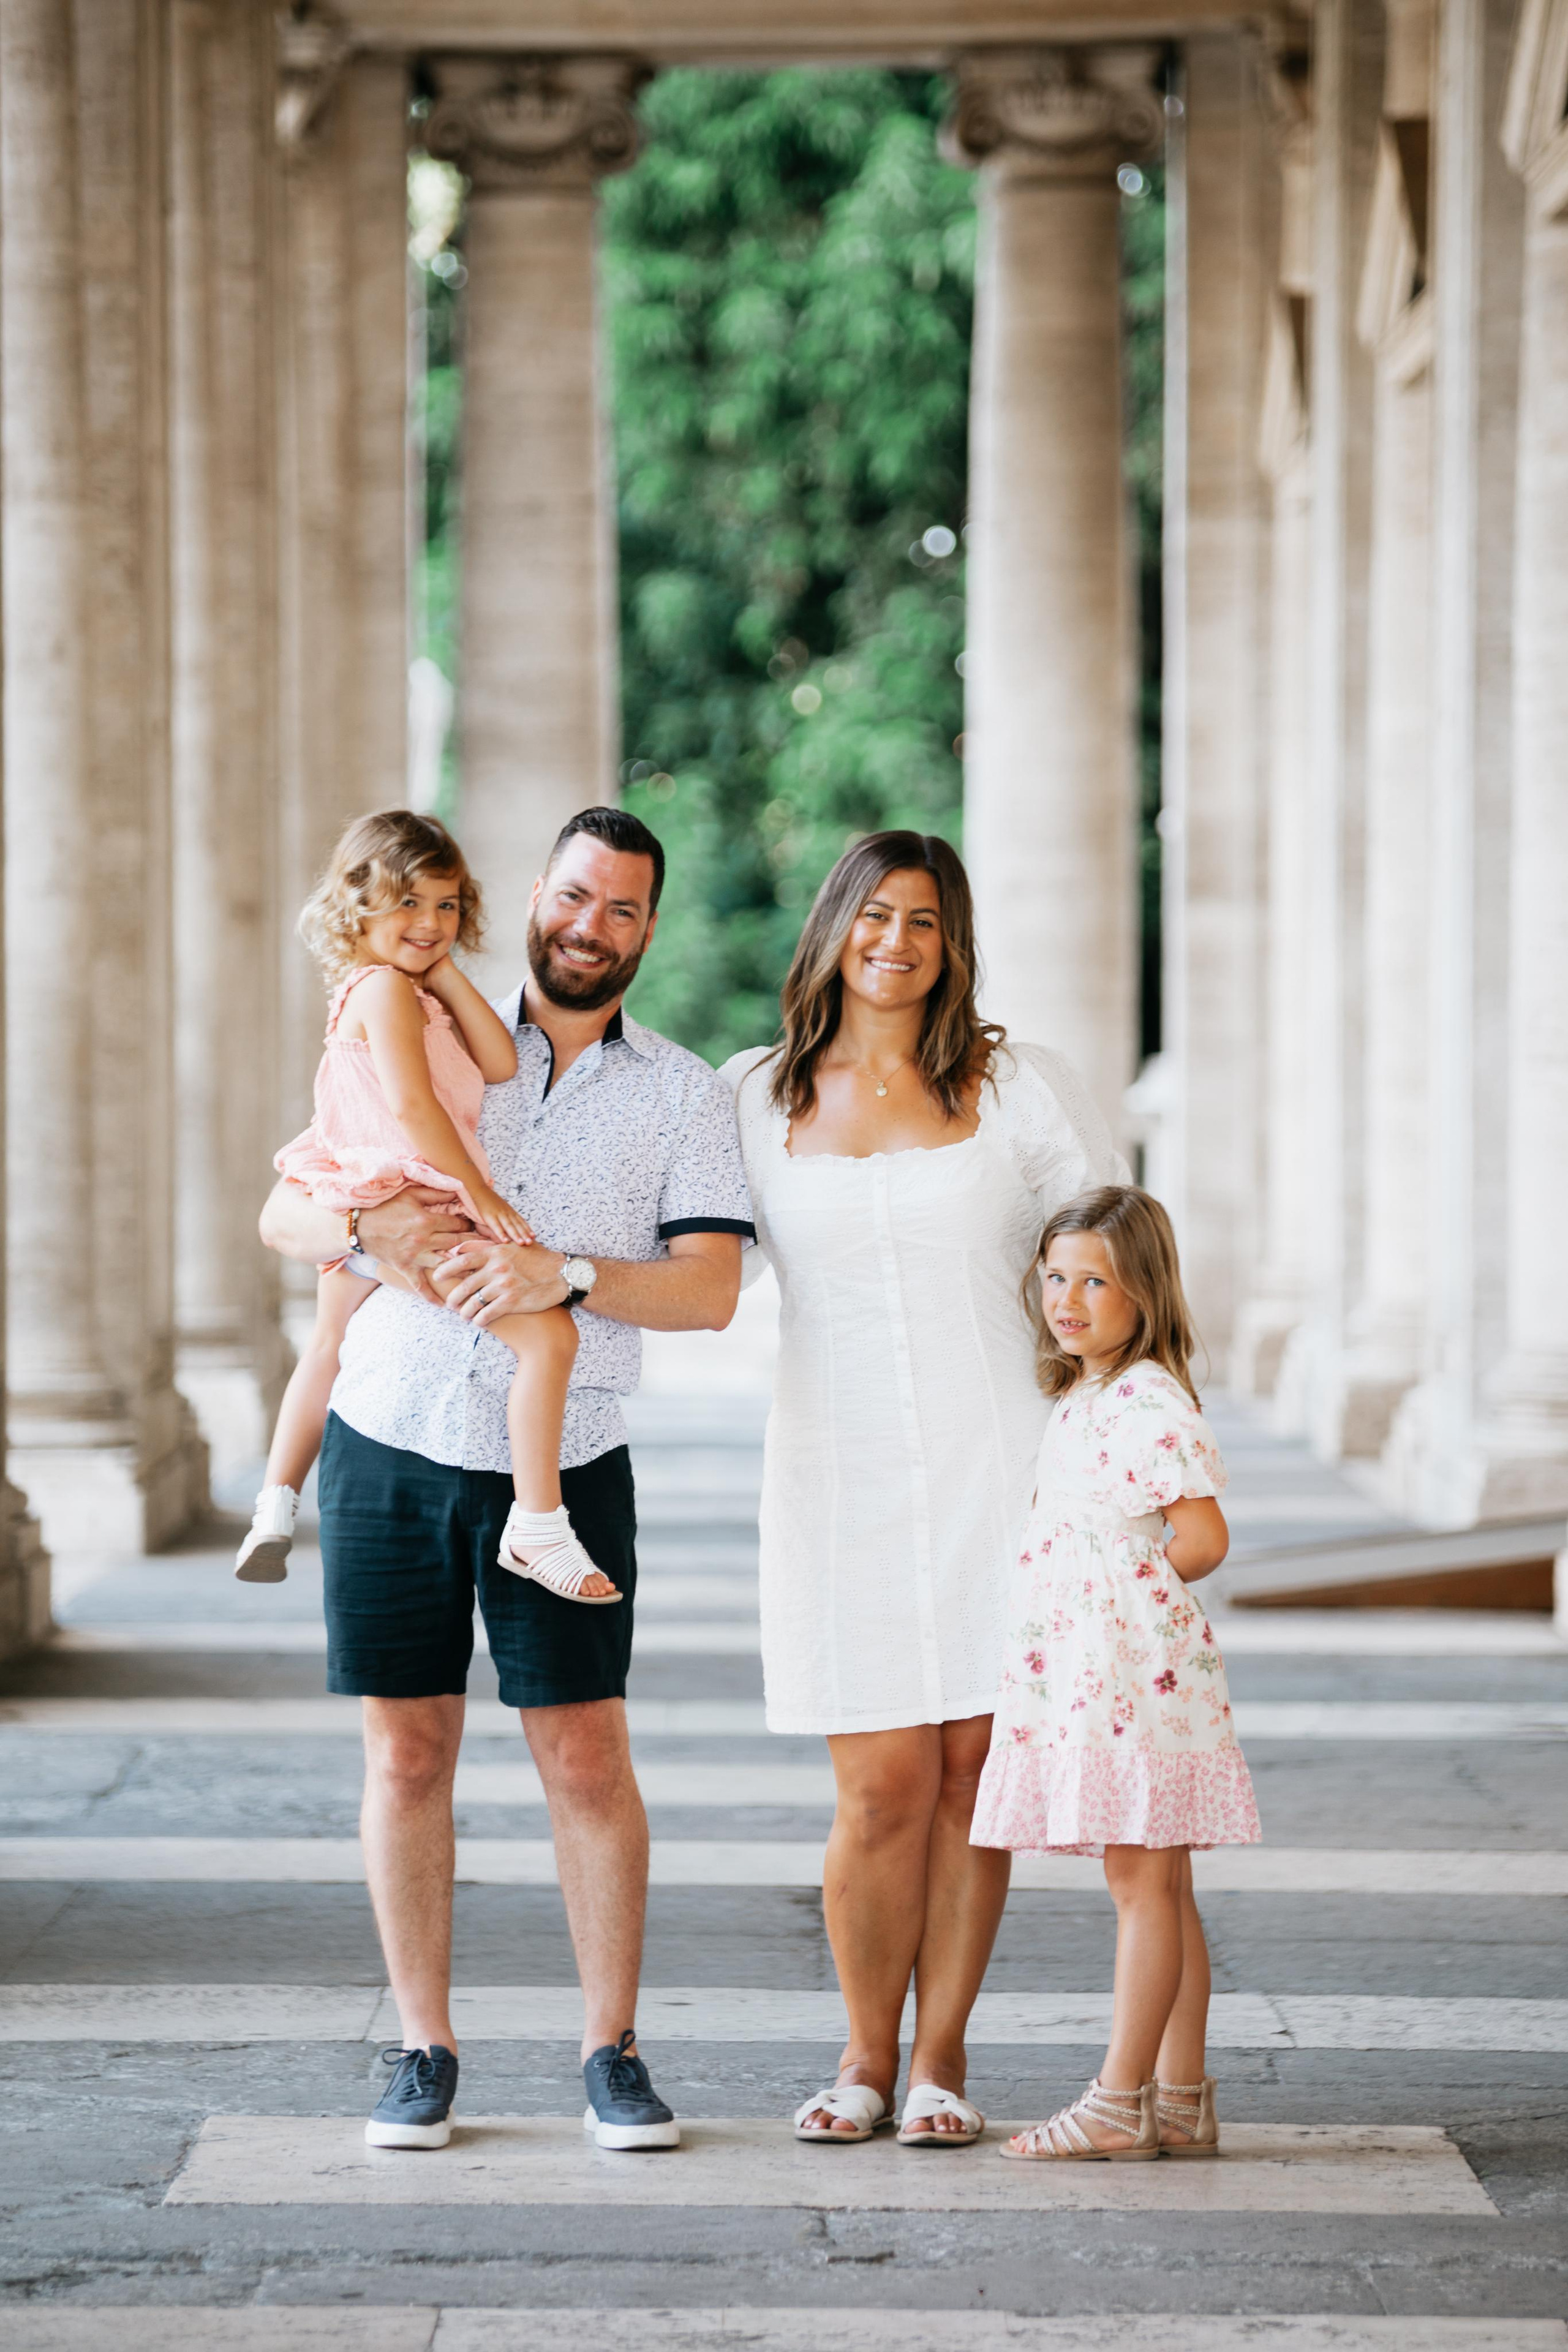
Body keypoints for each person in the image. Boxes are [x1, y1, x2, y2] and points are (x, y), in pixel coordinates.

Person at [258, 806, 755, 2154]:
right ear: (534, 898)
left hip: (568, 1458)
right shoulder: (410, 1016)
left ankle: (612, 2050)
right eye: (576, 897)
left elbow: (709, 1293)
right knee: (404, 1753)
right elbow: (283, 1211)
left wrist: (570, 1275)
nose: (591, 927)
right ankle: (423, 2046)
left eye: (624, 910)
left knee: (584, 1757)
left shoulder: (681, 1094)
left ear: (648, 930)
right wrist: (360, 1221)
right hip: (389, 1433)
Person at [721, 831, 1125, 2148]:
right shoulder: (751, 1097)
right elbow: (663, 1240)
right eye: (874, 916)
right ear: (833, 926)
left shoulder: (1010, 1087)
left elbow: (1113, 1253)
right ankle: (858, 2057)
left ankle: (940, 2061)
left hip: (999, 1462)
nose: (895, 942)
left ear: (952, 947)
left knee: (967, 1777)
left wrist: (1128, 1438)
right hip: (835, 1473)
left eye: (925, 923)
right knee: (877, 1785)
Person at [239, 810, 614, 1607]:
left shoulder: (412, 993)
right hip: (413, 1195)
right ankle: (538, 1524)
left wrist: (443, 971)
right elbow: (413, 1105)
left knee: (330, 1341)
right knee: (547, 1334)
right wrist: (479, 1194)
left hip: (376, 1191)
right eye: (409, 903)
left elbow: (503, 1059)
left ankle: (274, 1505)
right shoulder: (380, 991)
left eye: (447, 906)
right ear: (359, 903)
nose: (431, 922)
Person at [970, 1184, 1261, 2162]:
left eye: (1097, 1280)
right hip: (1112, 1670)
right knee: (1162, 1885)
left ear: (1146, 1291)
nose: (1070, 1298)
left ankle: (1118, 2098)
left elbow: (1202, 1538)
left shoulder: (1144, 1398)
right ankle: (1181, 2095)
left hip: (1130, 1674)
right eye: (1057, 1277)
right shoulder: (1089, 1392)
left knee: (1142, 1882)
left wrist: (1117, 1602)